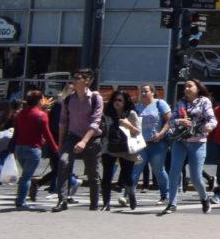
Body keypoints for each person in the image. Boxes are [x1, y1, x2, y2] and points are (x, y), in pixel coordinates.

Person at [51, 70, 103, 212]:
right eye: (74, 77)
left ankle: (94, 204)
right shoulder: (68, 100)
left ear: (87, 81)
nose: (74, 80)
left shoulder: (95, 98)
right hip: (72, 136)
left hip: (92, 138)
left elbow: (95, 122)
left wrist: (84, 141)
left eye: (77, 78)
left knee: (92, 173)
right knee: (63, 162)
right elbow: (63, 122)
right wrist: (60, 145)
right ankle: (62, 200)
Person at [163, 79, 216, 215]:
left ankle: (204, 198)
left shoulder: (204, 101)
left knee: (195, 177)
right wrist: (179, 121)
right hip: (180, 141)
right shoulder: (181, 102)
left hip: (198, 142)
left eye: (190, 86)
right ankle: (172, 203)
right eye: (185, 86)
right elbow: (170, 121)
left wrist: (207, 127)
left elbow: (212, 120)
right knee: (174, 172)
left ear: (197, 88)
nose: (186, 89)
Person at [8, 87, 58, 210]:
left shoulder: (20, 114)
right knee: (26, 177)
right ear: (39, 100)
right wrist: (55, 149)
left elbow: (16, 133)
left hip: (19, 148)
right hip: (33, 149)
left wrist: (11, 147)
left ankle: (20, 198)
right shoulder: (41, 115)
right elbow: (47, 134)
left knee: (25, 175)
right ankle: (21, 201)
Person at [96, 89, 142, 210]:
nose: (117, 102)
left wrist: (128, 125)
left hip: (126, 148)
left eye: (120, 100)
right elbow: (103, 129)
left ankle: (131, 194)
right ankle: (106, 203)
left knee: (127, 176)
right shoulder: (107, 113)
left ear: (125, 102)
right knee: (107, 175)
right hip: (110, 147)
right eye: (115, 99)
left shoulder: (131, 113)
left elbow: (138, 131)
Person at [135, 84, 173, 203]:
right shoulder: (138, 107)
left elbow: (169, 120)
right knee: (136, 169)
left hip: (158, 143)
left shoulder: (159, 103)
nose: (143, 93)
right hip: (142, 144)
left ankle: (165, 195)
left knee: (158, 169)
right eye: (142, 91)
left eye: (146, 91)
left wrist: (161, 133)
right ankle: (128, 194)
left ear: (152, 92)